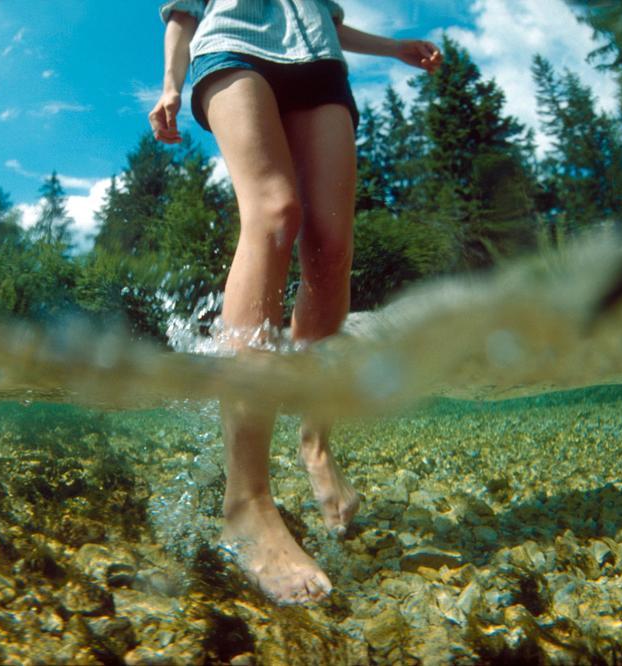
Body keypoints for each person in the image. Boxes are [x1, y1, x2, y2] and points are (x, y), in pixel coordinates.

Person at [149, 1, 442, 604]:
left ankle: (316, 443)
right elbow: (181, 15)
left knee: (331, 249)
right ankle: (247, 499)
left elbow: (331, 22)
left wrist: (395, 48)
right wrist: (171, 87)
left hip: (319, 61)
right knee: (276, 213)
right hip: (232, 48)